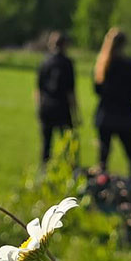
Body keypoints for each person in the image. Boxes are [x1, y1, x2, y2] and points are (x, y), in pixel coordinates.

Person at [93, 27, 131, 177]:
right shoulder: (130, 66)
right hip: (124, 115)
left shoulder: (101, 66)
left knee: (103, 158)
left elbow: (97, 89)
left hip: (106, 115)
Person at [36, 31, 77, 166]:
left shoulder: (44, 62)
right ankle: (69, 168)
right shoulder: (67, 63)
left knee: (46, 143)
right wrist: (76, 114)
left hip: (46, 106)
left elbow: (38, 89)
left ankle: (44, 168)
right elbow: (71, 91)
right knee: (67, 142)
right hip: (62, 107)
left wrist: (39, 108)